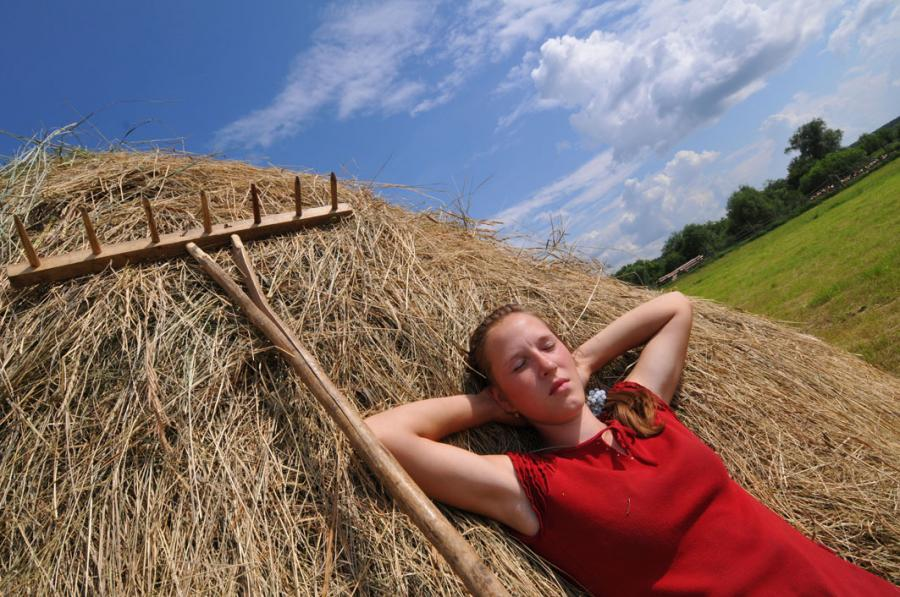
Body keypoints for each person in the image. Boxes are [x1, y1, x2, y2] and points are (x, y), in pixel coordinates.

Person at [364, 292, 898, 595]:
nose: (546, 363)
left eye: (548, 345)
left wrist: (585, 360)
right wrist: (492, 404)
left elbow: (674, 307)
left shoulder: (641, 410)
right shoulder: (533, 486)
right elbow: (381, 435)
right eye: (520, 365)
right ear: (503, 392)